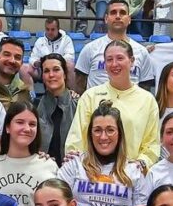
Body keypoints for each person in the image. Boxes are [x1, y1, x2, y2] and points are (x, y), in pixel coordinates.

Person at [60, 101, 152, 206]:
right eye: (97, 130)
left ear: (120, 134)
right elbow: (57, 205)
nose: (103, 137)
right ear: (90, 134)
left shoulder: (133, 170)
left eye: (110, 130)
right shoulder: (74, 164)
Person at [65, 40, 161, 169]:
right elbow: (76, 138)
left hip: (130, 174)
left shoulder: (147, 100)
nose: (114, 64)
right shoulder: (90, 96)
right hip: (93, 173)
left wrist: (140, 163)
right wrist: (76, 158)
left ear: (132, 61)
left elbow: (152, 143)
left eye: (120, 58)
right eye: (109, 59)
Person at [75, 0, 156, 92]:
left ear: (129, 19)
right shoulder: (90, 48)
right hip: (97, 104)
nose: (118, 16)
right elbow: (80, 82)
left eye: (122, 13)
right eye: (113, 12)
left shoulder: (142, 52)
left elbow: (145, 87)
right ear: (106, 18)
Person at [34, 54, 77, 166]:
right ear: (42, 76)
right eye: (46, 71)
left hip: (72, 169)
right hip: (43, 169)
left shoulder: (79, 104)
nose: (51, 75)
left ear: (65, 74)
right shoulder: (34, 107)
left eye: (56, 70)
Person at [0, 37, 32, 109]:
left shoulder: (24, 92)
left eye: (17, 57)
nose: (12, 61)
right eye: (7, 55)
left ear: (22, 63)